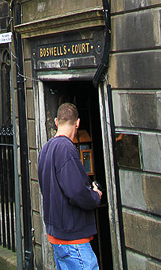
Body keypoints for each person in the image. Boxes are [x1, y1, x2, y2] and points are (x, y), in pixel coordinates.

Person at [37, 103, 102, 270]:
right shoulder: (66, 148)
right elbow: (76, 192)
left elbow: (47, 188)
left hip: (57, 234)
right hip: (72, 237)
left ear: (57, 121)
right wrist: (95, 196)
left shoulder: (46, 149)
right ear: (78, 123)